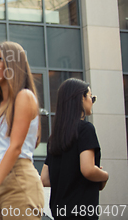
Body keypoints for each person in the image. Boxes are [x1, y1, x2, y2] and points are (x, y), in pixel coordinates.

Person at [0, 41, 44, 219]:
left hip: (19, 181)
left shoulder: (25, 96)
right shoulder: (1, 107)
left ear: (12, 63)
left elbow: (15, 147)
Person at [40, 78, 108, 219]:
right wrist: (104, 176)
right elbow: (88, 169)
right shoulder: (85, 129)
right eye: (91, 97)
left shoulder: (55, 137)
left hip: (59, 212)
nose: (92, 101)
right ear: (81, 99)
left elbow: (45, 179)